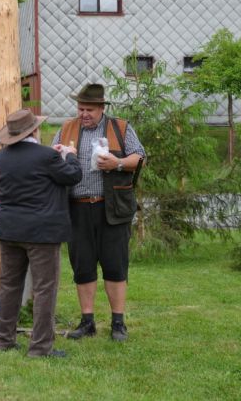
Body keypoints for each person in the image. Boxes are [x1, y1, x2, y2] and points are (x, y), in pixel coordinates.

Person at [51, 83, 146, 342]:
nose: (84, 114)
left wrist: (117, 163)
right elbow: (51, 162)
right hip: (77, 208)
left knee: (115, 266)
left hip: (112, 208)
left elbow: (139, 157)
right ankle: (87, 321)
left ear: (101, 108)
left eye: (89, 109)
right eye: (81, 108)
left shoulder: (120, 127)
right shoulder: (67, 128)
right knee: (82, 267)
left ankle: (118, 323)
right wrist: (58, 155)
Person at [0, 108, 82, 358]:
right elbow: (73, 176)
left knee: (10, 285)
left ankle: (3, 340)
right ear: (34, 129)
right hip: (42, 232)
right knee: (44, 289)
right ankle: (41, 347)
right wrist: (70, 155)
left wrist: (55, 156)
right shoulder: (46, 157)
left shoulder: (3, 156)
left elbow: (33, 167)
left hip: (10, 228)